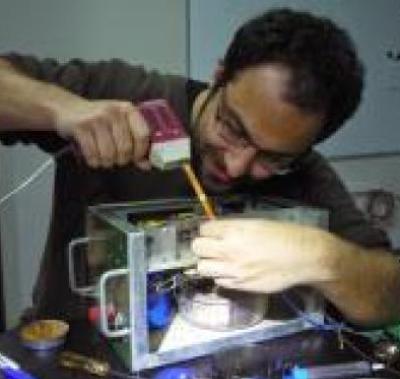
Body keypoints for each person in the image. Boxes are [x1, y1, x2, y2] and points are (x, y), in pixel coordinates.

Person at [0, 8, 398, 327]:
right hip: (67, 351)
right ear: (219, 76)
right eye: (233, 128)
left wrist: (322, 258)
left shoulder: (304, 171)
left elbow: (390, 293)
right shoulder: (126, 95)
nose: (236, 166)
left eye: (272, 158)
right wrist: (62, 108)